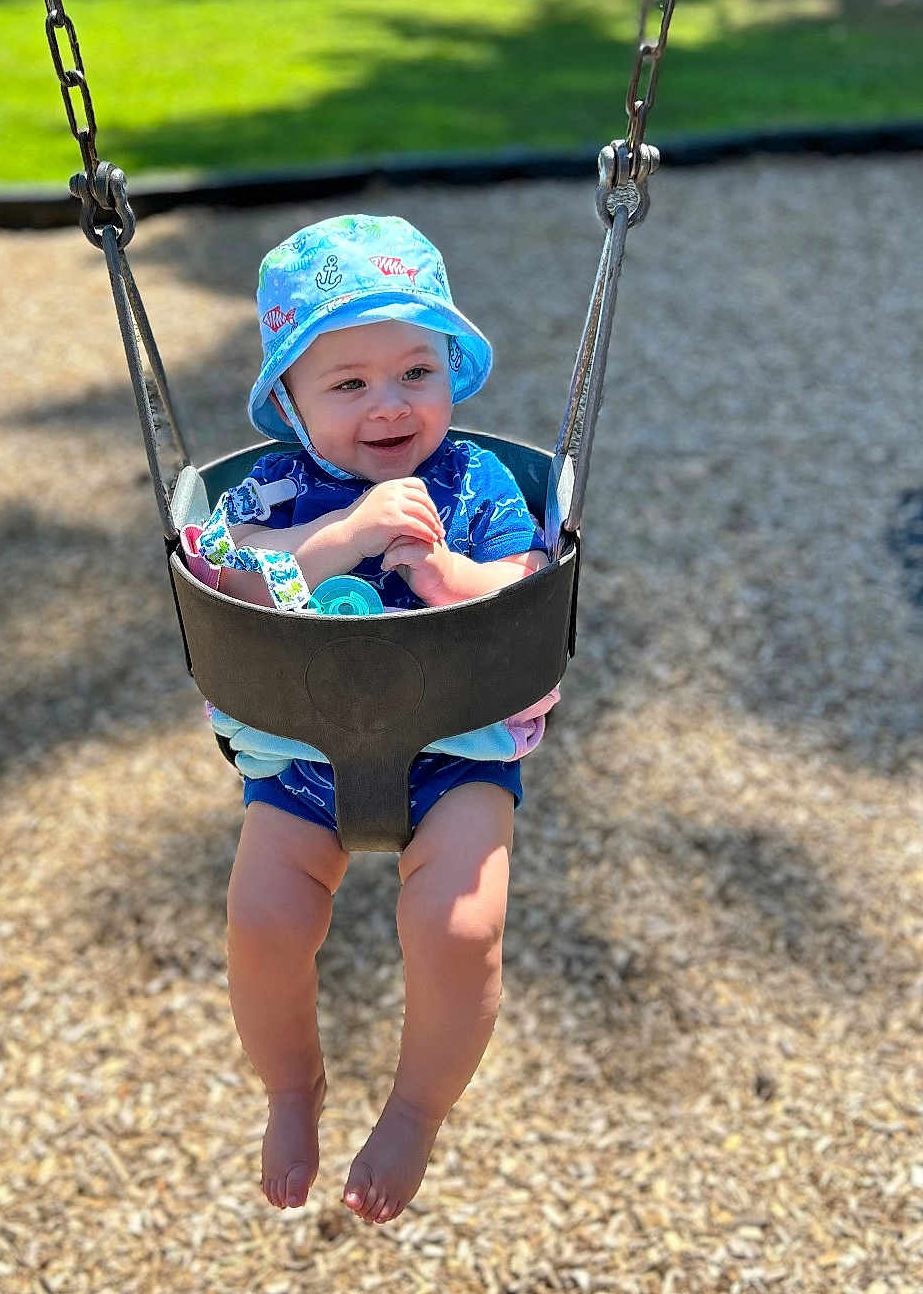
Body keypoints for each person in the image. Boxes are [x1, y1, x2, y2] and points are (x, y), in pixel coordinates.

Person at [204, 214, 550, 1225]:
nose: (389, 404)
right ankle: (292, 1088)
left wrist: (452, 576)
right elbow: (227, 575)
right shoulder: (277, 489)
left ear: (450, 372)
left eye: (414, 371)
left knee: (459, 927)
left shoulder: (479, 482)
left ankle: (414, 1111)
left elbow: (527, 579)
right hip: (304, 756)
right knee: (263, 921)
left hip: (455, 753)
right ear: (291, 399)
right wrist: (341, 536)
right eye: (347, 384)